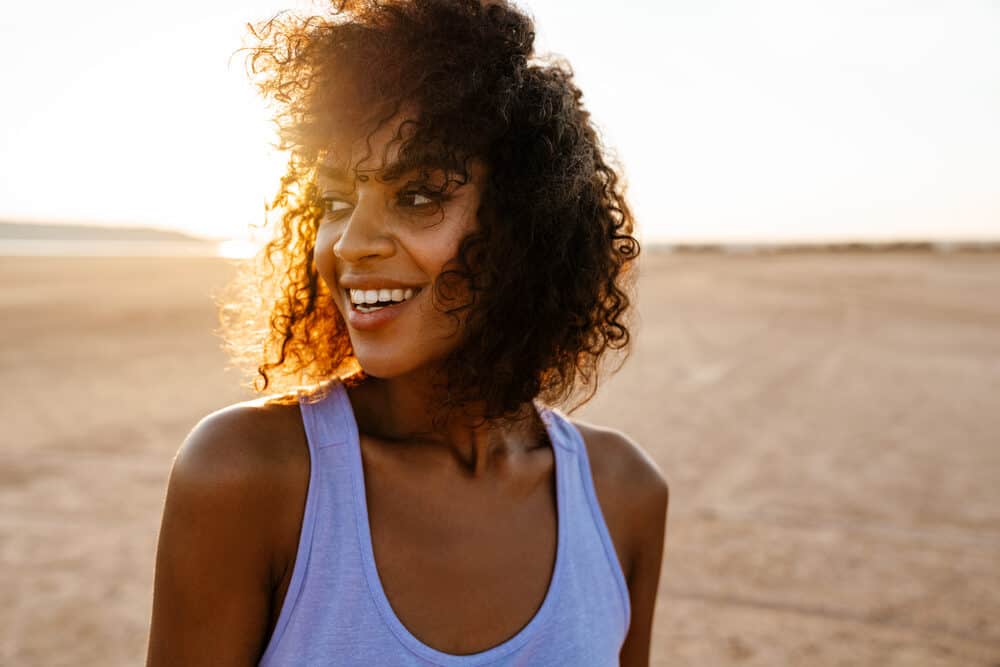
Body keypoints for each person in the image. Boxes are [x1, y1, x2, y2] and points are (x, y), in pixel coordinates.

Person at [146, 0, 669, 665]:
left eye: (418, 194)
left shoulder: (623, 493)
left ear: (525, 225)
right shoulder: (248, 473)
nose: (351, 243)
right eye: (334, 202)